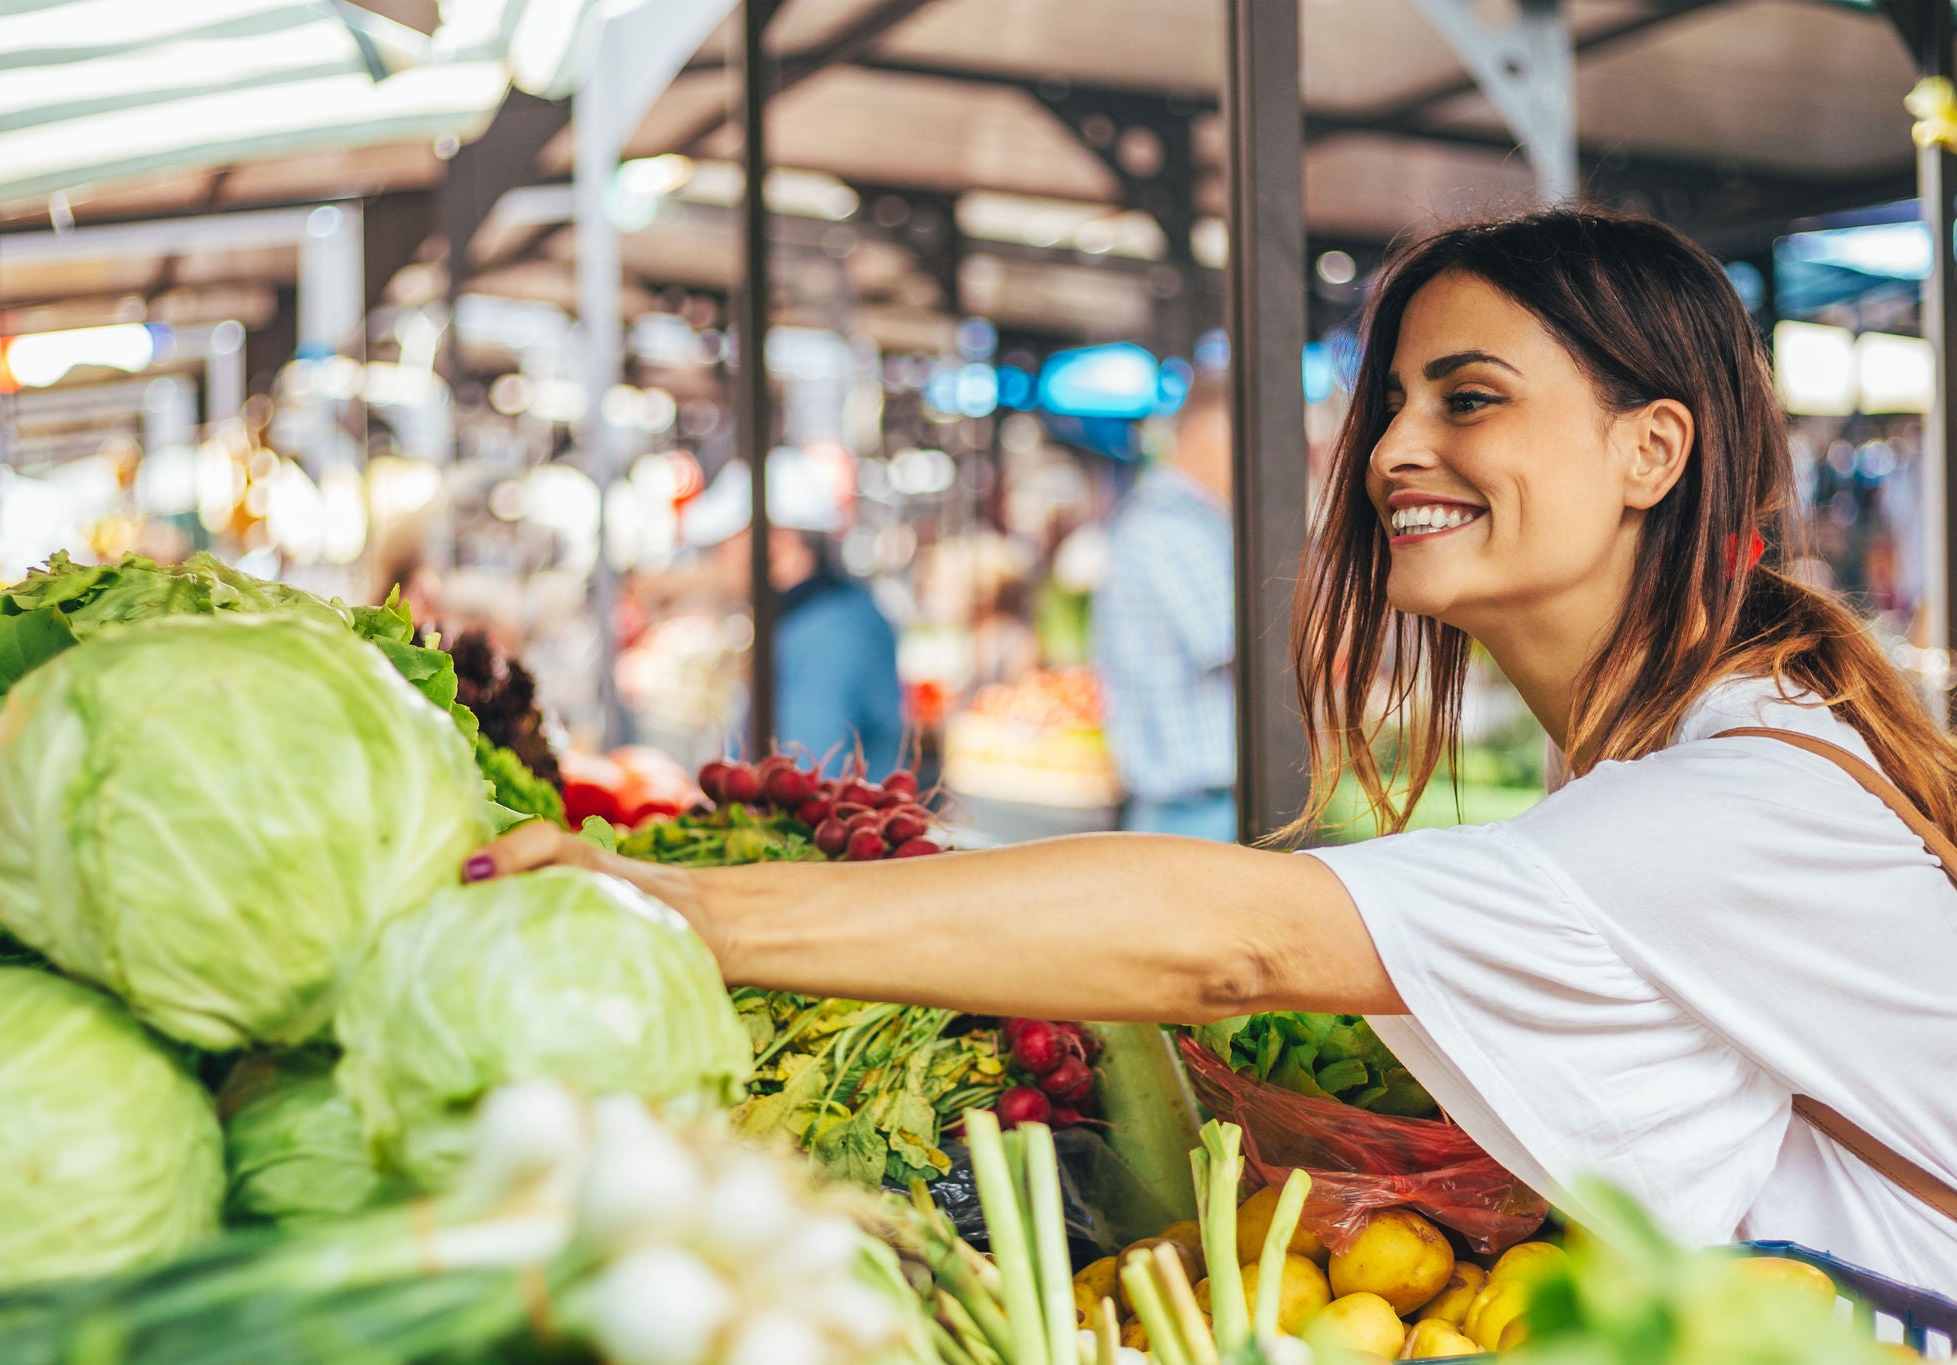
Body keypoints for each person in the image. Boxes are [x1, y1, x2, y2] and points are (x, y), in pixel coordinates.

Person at [463, 211, 1957, 1288]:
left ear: (1654, 449)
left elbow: (1233, 944)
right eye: (1391, 403)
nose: (1389, 452)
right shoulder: (1708, 737)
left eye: (1471, 399)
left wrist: (698, 910)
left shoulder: (1730, 792)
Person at [683, 452, 904, 770]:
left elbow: (801, 775)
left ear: (775, 542)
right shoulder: (822, 616)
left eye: (726, 545)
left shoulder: (829, 637)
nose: (720, 561)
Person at [1090, 371, 1238, 839]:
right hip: (1194, 811)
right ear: (1207, 433)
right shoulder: (1173, 526)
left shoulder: (1176, 519)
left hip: (1191, 808)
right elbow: (1249, 647)